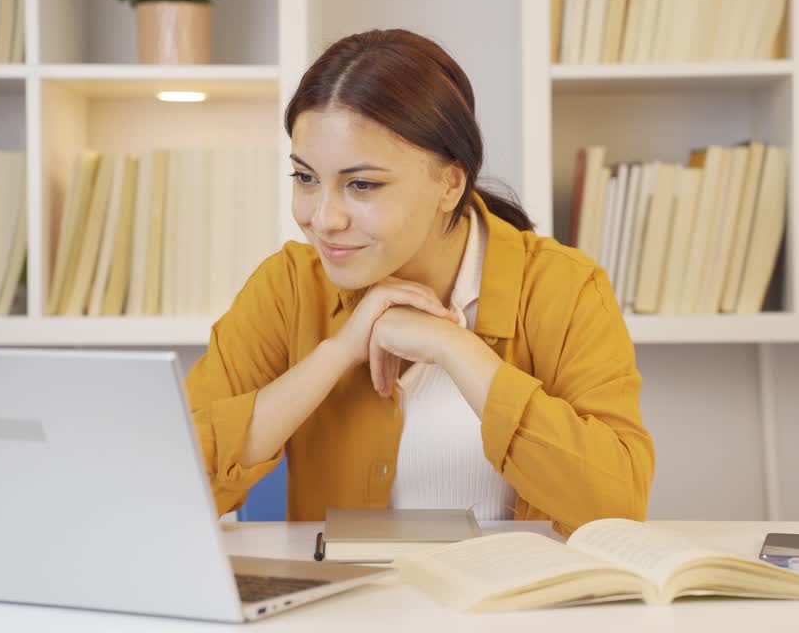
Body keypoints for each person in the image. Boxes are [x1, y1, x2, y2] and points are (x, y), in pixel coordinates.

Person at [185, 29, 653, 535]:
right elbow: (168, 486)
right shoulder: (288, 288)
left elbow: (616, 506)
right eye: (306, 178)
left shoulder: (563, 287)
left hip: (510, 591)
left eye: (362, 184)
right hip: (345, 591)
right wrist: (336, 353)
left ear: (450, 183)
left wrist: (454, 347)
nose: (323, 219)